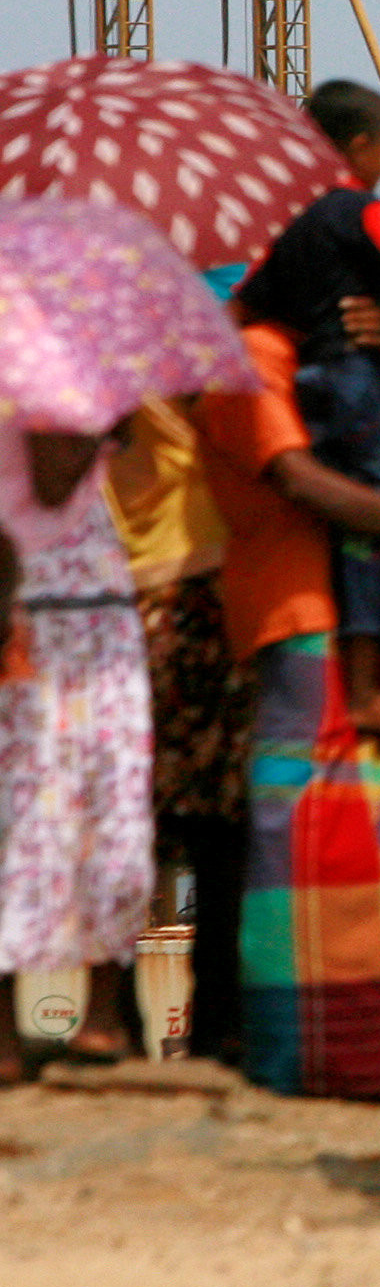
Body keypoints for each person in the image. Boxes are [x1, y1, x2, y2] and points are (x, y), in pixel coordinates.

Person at [186, 292, 380, 1101]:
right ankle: (349, 1053)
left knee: (358, 840)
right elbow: (299, 478)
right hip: (304, 617)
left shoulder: (328, 353)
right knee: (321, 846)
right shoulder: (252, 361)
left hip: (350, 617)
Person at [230, 80, 380, 735]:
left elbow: (236, 310)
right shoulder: (366, 211)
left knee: (360, 530)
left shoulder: (291, 235)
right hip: (361, 384)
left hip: (317, 387)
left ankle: (362, 680)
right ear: (360, 147)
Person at [0, 418, 155, 1077]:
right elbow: (57, 479)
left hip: (94, 611)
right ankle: (28, 1029)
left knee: (113, 810)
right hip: (30, 615)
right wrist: (94, 429)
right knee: (26, 815)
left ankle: (99, 1016)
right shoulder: (39, 396)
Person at [107, 395, 253, 1064]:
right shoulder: (164, 360)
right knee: (209, 832)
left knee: (159, 834)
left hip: (132, 592)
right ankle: (206, 1022)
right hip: (189, 588)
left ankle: (151, 1024)